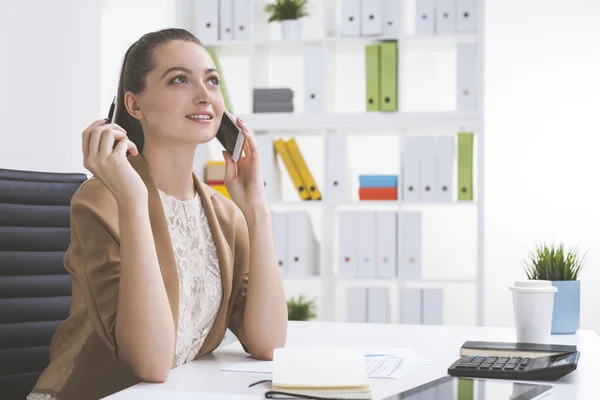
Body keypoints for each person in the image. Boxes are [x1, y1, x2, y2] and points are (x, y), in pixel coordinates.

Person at [28, 28, 288, 400]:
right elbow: (151, 364)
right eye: (179, 79)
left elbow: (268, 342)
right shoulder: (101, 201)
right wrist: (133, 203)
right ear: (134, 106)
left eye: (212, 81)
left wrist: (256, 209)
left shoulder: (225, 214)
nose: (204, 96)